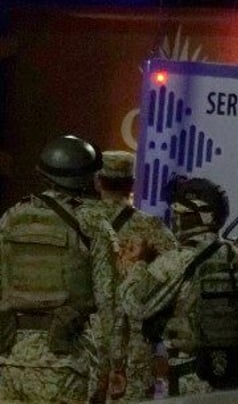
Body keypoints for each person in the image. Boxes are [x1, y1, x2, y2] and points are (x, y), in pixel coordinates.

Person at [119, 176, 238, 397]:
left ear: (199, 217)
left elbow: (134, 304)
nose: (176, 220)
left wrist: (139, 264)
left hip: (190, 379)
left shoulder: (177, 261)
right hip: (234, 383)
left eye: (181, 214)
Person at [0, 135, 120, 404]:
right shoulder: (92, 223)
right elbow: (109, 301)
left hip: (10, 360)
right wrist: (117, 364)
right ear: (88, 177)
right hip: (64, 362)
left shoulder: (11, 217)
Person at [87, 150, 178, 402]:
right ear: (132, 184)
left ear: (97, 182)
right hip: (134, 342)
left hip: (86, 336)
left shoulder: (82, 220)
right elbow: (175, 282)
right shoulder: (153, 229)